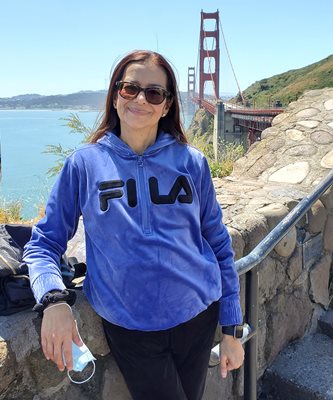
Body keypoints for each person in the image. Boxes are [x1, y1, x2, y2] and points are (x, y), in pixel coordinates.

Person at [23, 50, 244, 400]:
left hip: (198, 317)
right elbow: (43, 244)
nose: (141, 99)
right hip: (131, 328)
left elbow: (217, 243)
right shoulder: (83, 165)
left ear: (167, 105)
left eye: (154, 93)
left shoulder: (192, 162)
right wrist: (54, 300)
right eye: (130, 89)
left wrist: (231, 328)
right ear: (115, 95)